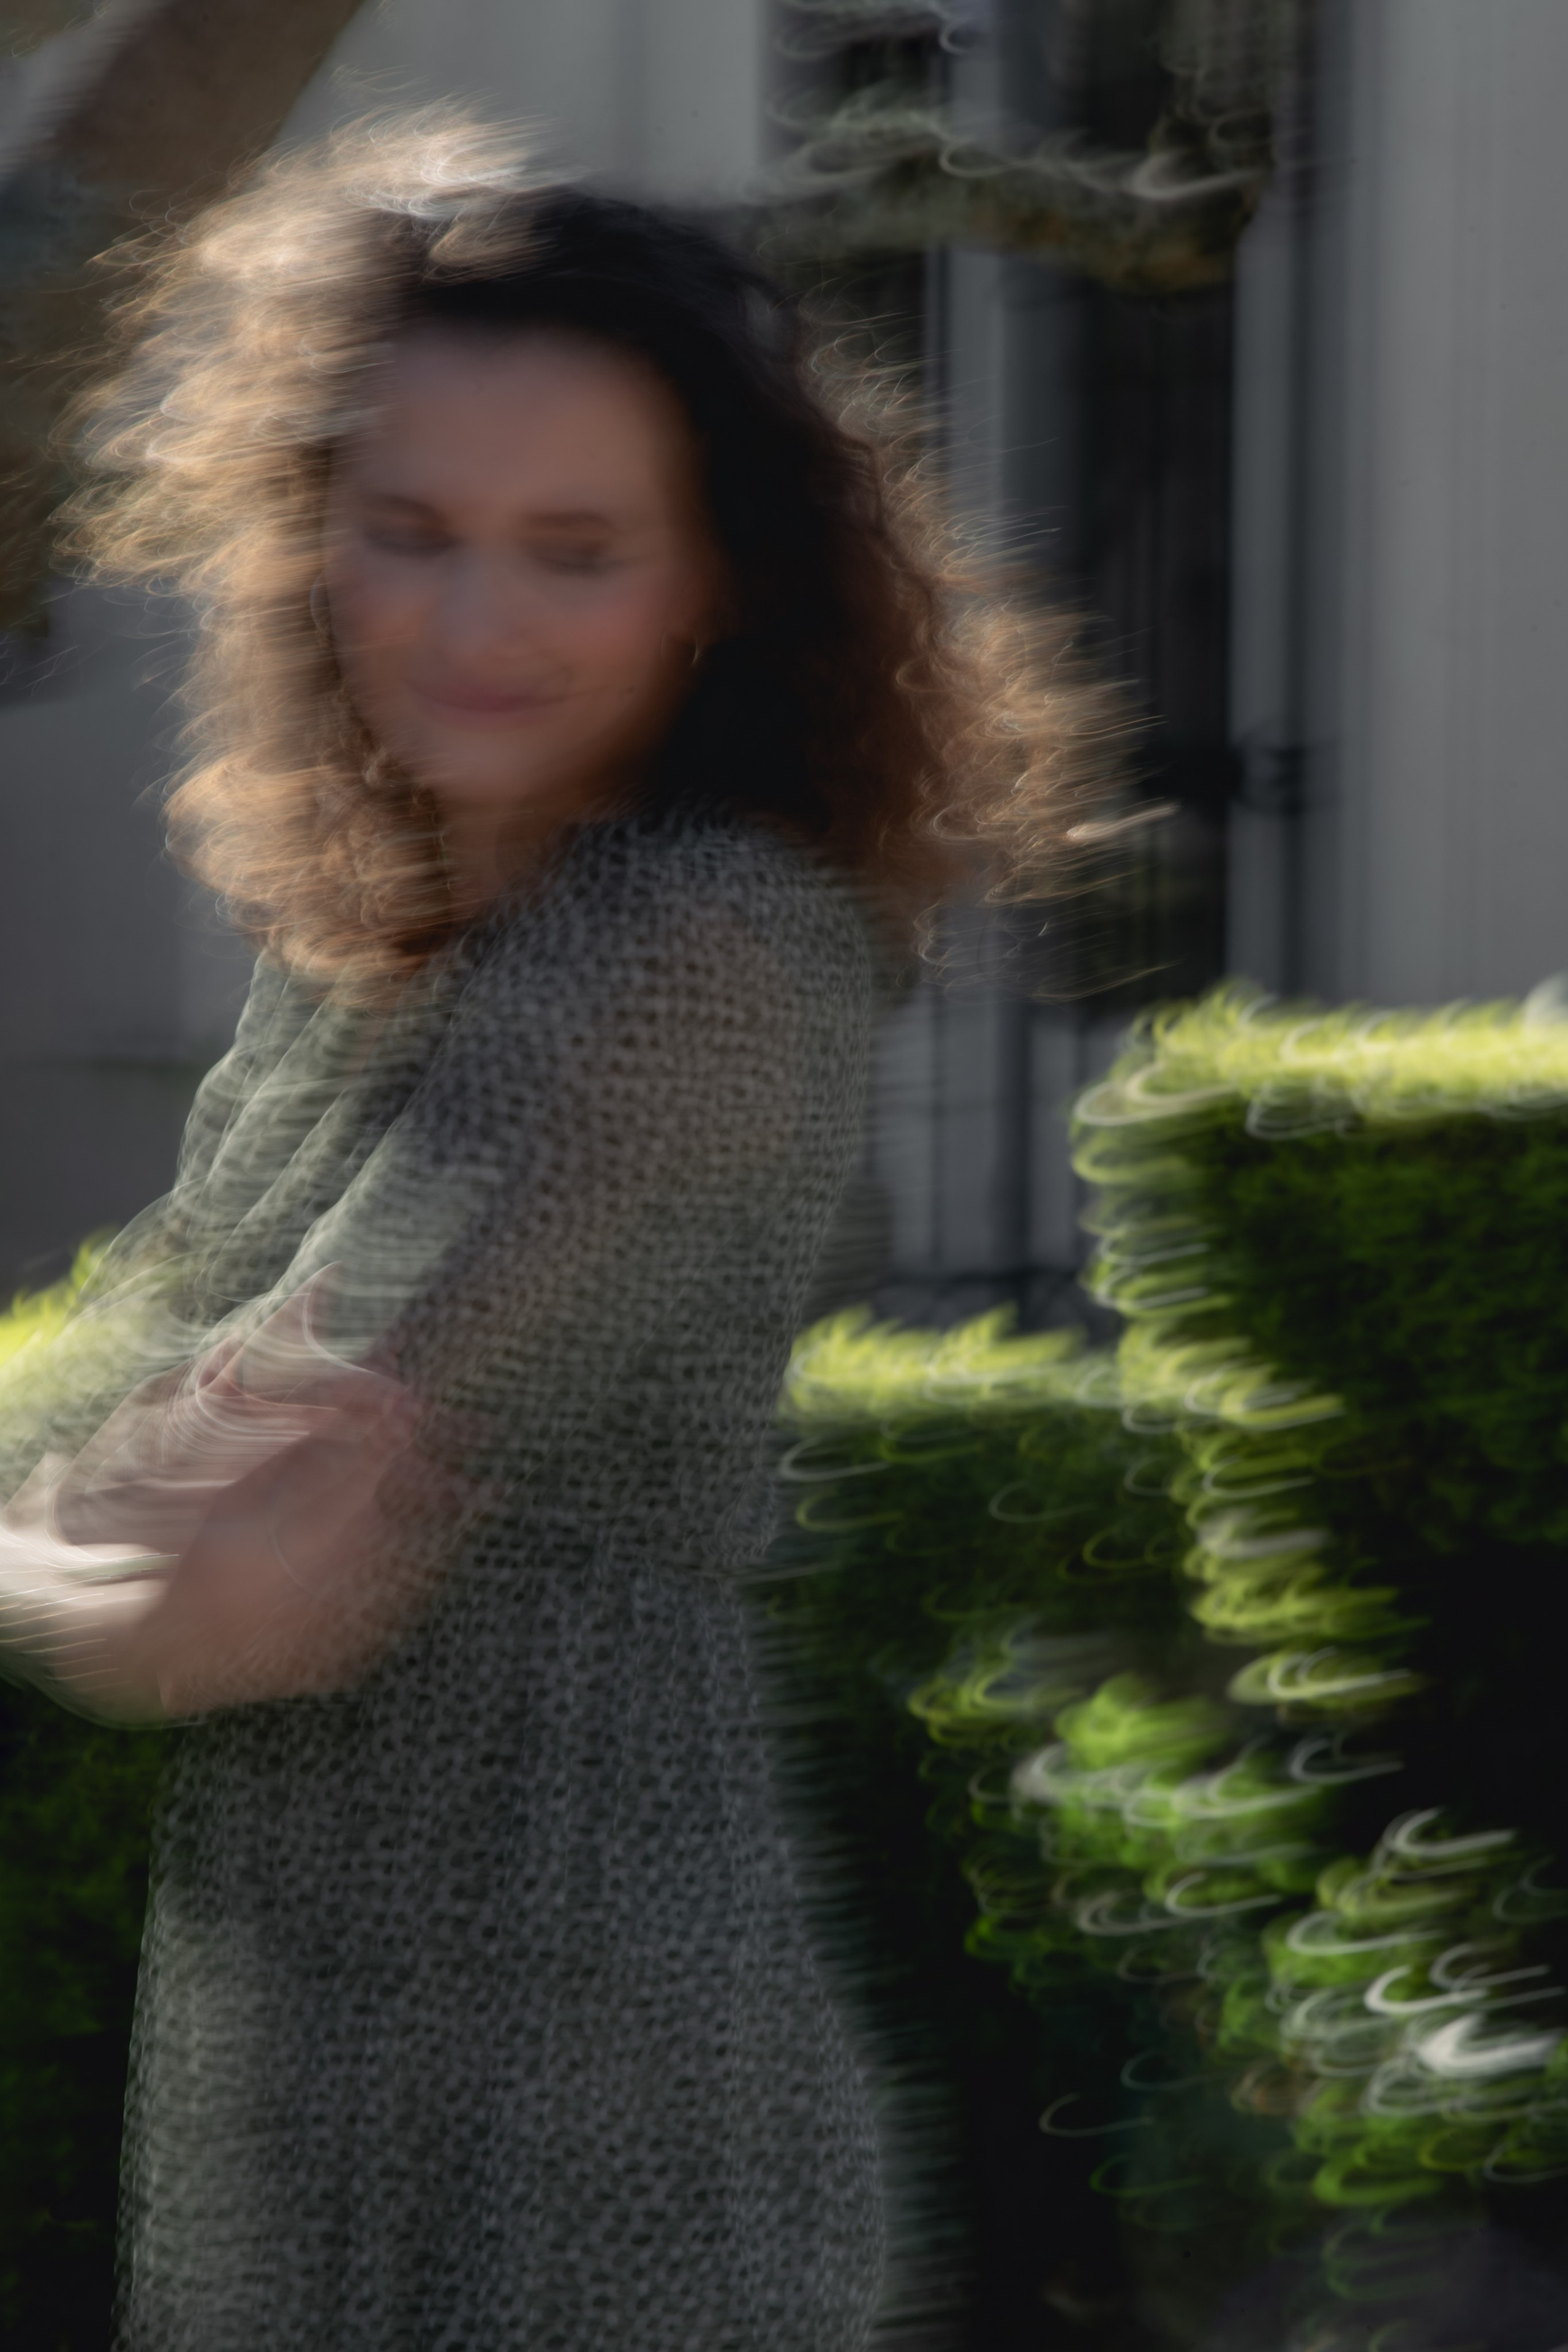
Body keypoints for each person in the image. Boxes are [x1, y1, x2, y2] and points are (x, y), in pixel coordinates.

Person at [0, 111, 1107, 2350]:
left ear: (714, 580)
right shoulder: (376, 954)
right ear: (306, 535)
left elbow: (251, 1517)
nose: (473, 620)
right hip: (297, 2067)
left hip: (601, 2123)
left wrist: (108, 1529)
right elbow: (125, 1419)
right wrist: (95, 1522)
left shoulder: (710, 942)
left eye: (573, 548)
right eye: (405, 530)